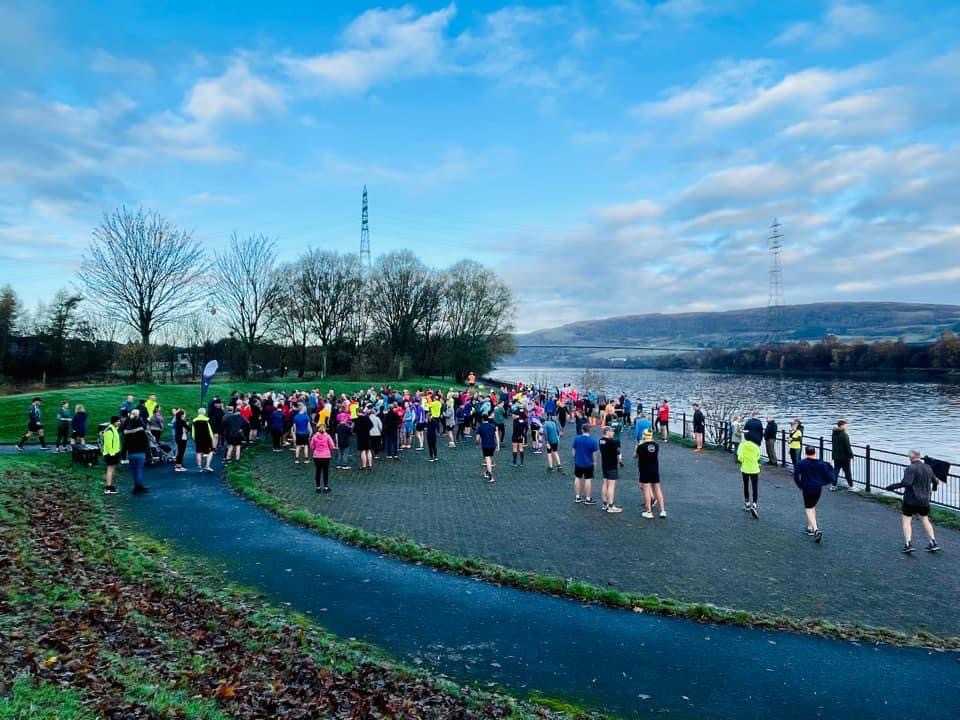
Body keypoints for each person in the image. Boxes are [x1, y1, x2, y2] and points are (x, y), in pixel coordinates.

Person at [885, 451, 941, 553]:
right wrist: (934, 488)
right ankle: (933, 542)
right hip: (924, 500)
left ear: (910, 458)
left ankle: (908, 544)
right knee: (925, 519)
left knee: (907, 521)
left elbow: (907, 482)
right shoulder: (928, 467)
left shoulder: (910, 468)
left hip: (910, 500)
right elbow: (936, 481)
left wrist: (892, 487)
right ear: (919, 457)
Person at [793, 446, 836, 543]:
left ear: (805, 453)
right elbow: (829, 474)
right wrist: (831, 467)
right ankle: (810, 528)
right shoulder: (821, 463)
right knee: (812, 506)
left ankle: (816, 529)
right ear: (814, 453)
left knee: (808, 508)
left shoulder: (801, 463)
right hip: (817, 488)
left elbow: (796, 476)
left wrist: (801, 485)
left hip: (807, 488)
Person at [636, 429, 666, 519]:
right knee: (657, 489)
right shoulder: (656, 446)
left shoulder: (641, 446)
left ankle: (649, 511)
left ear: (644, 435)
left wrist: (638, 446)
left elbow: (635, 455)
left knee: (646, 490)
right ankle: (663, 510)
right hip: (655, 470)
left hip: (645, 470)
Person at [123, 409, 149, 495]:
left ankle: (138, 486)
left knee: (135, 471)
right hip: (140, 452)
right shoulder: (141, 431)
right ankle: (138, 488)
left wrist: (124, 455)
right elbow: (146, 441)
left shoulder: (127, 432)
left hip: (131, 453)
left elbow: (125, 443)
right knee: (139, 471)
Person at [572, 424, 599, 505]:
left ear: (582, 430)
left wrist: (575, 458)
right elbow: (595, 454)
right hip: (588, 463)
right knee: (588, 480)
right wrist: (595, 462)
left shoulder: (576, 439)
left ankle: (577, 497)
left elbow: (573, 451)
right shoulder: (593, 441)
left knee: (577, 478)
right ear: (589, 430)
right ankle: (587, 498)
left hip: (578, 462)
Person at [599, 426, 623, 513]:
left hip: (604, 465)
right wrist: (619, 459)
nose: (613, 433)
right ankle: (611, 506)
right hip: (612, 465)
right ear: (607, 432)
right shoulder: (612, 442)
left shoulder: (601, 440)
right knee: (611, 486)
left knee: (605, 484)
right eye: (612, 431)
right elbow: (618, 453)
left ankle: (604, 503)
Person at [737, 433, 761, 519]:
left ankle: (747, 503)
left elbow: (739, 457)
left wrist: (744, 460)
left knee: (746, 485)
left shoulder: (742, 446)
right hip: (754, 468)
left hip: (745, 468)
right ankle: (754, 504)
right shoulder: (756, 447)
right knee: (755, 487)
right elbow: (758, 456)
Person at [831, 420, 856, 491]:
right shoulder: (844, 435)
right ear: (842, 426)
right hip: (844, 457)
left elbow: (834, 445)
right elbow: (847, 446)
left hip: (836, 456)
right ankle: (851, 486)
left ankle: (833, 485)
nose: (846, 427)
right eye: (845, 425)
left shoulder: (834, 434)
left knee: (836, 471)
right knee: (847, 472)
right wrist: (851, 455)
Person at [310, 424, 336, 494]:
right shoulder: (327, 436)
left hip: (317, 456)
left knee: (318, 471)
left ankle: (318, 487)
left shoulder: (314, 436)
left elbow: (312, 446)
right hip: (326, 456)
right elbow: (332, 446)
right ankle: (325, 487)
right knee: (325, 472)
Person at [475, 414, 499, 483]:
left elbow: (477, 438)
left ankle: (491, 476)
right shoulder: (493, 426)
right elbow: (497, 437)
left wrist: (477, 443)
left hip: (485, 445)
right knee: (489, 458)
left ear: (482, 419)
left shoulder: (480, 427)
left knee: (487, 459)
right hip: (493, 445)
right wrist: (498, 446)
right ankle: (486, 472)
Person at [101, 415, 122, 495]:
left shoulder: (114, 429)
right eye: (118, 421)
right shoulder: (109, 430)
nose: (119, 423)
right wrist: (112, 453)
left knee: (112, 469)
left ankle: (110, 485)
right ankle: (108, 488)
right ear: (114, 422)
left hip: (114, 453)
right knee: (110, 470)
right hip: (111, 454)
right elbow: (108, 443)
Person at [191, 407, 215, 473]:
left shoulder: (194, 420)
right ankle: (207, 466)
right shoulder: (207, 420)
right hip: (207, 438)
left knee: (198, 452)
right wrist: (212, 438)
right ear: (204, 412)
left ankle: (200, 467)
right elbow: (210, 431)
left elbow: (193, 431)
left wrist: (194, 438)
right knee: (210, 451)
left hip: (198, 438)